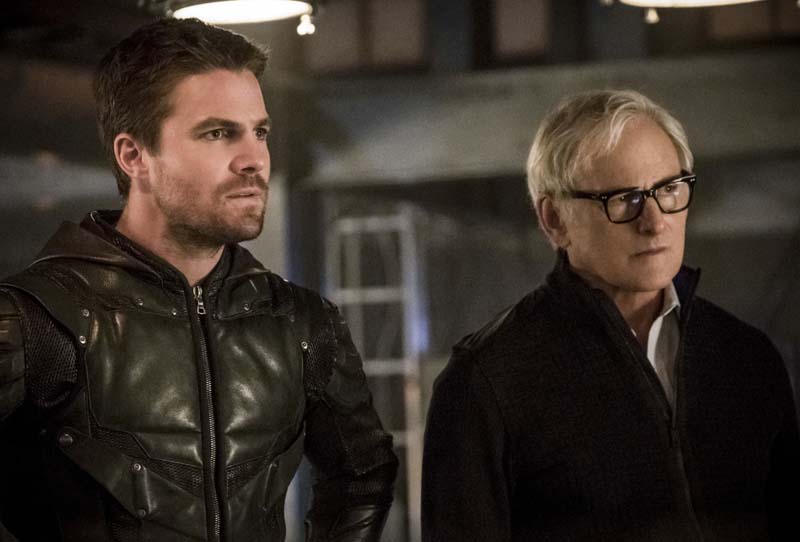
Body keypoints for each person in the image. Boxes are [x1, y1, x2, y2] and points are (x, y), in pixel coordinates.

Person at [0, 18, 397, 542]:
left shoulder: (301, 322)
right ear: (134, 156)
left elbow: (363, 476)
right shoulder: (36, 319)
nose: (253, 160)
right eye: (218, 133)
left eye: (259, 132)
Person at [422, 89, 799, 541]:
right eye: (624, 199)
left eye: (669, 189)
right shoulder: (486, 382)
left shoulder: (747, 357)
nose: (655, 222)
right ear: (555, 220)